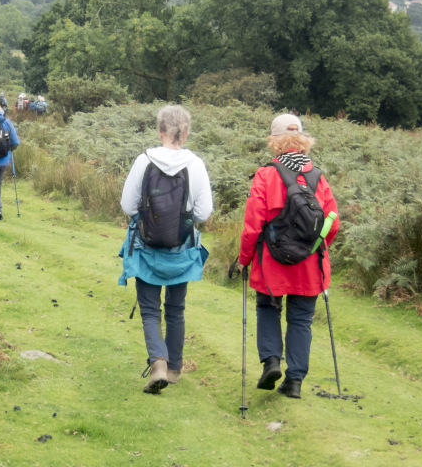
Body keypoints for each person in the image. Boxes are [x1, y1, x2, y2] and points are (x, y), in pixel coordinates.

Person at [237, 113, 339, 400]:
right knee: (302, 319)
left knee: (268, 308)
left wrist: (244, 258)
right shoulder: (318, 177)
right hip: (309, 263)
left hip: (271, 262)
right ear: (304, 141)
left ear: (275, 141)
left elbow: (252, 225)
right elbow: (333, 221)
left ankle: (271, 361)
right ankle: (294, 381)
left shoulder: (266, 175)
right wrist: (316, 247)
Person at [118, 105, 213, 394]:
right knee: (176, 309)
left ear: (160, 131)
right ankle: (173, 369)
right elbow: (204, 211)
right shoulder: (195, 164)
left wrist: (149, 219)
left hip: (146, 247)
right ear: (185, 133)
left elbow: (127, 205)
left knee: (149, 310)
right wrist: (182, 221)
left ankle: (157, 363)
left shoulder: (143, 161)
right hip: (181, 250)